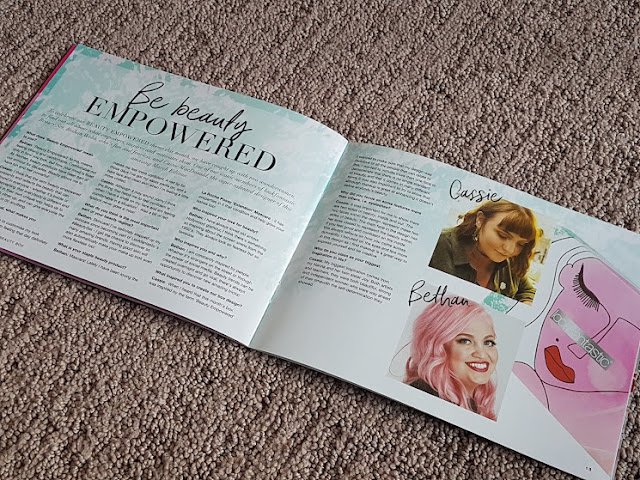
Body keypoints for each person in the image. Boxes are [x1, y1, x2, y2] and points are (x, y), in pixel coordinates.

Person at [430, 200, 540, 304]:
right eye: (502, 236)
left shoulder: (511, 262)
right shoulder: (438, 244)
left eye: (520, 244)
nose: (509, 249)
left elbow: (528, 290)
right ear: (480, 220)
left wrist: (526, 304)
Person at [405, 301, 498, 420]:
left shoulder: (476, 404)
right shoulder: (424, 399)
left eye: (488, 342)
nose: (481, 354)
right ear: (437, 347)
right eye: (465, 341)